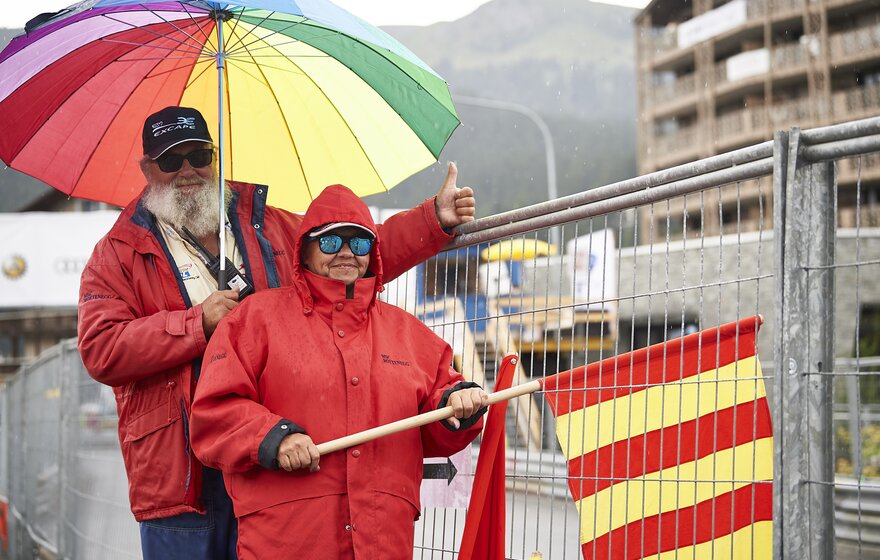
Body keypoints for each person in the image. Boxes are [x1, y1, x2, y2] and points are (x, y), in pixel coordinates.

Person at [77, 106, 476, 560]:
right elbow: (100, 348)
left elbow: (347, 252)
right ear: (147, 168)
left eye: (200, 155)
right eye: (171, 160)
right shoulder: (117, 253)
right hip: (183, 469)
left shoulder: (267, 224)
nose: (188, 170)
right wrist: (195, 324)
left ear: (217, 156)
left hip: (279, 448)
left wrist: (433, 220)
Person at [189, 184, 488, 559]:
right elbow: (213, 414)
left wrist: (457, 403)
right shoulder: (254, 320)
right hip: (288, 541)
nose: (346, 252)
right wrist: (273, 438)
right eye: (331, 241)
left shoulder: (409, 333)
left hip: (383, 541)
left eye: (360, 242)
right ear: (306, 250)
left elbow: (439, 415)